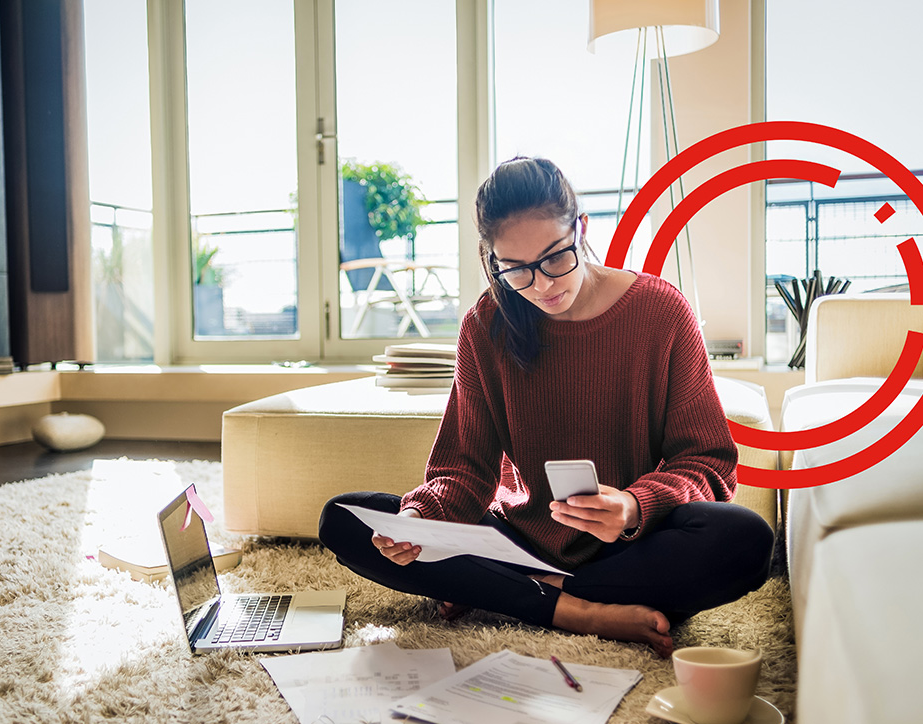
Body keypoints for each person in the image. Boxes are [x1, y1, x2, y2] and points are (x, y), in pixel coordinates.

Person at [318, 156, 773, 658]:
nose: (542, 285)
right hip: (516, 542)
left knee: (745, 539)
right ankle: (578, 610)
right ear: (493, 260)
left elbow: (708, 462)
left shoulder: (662, 312)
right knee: (344, 518)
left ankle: (516, 594)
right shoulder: (484, 327)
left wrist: (633, 506)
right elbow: (464, 469)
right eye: (515, 270)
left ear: (580, 228)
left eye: (556, 257)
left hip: (626, 548)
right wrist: (422, 517)